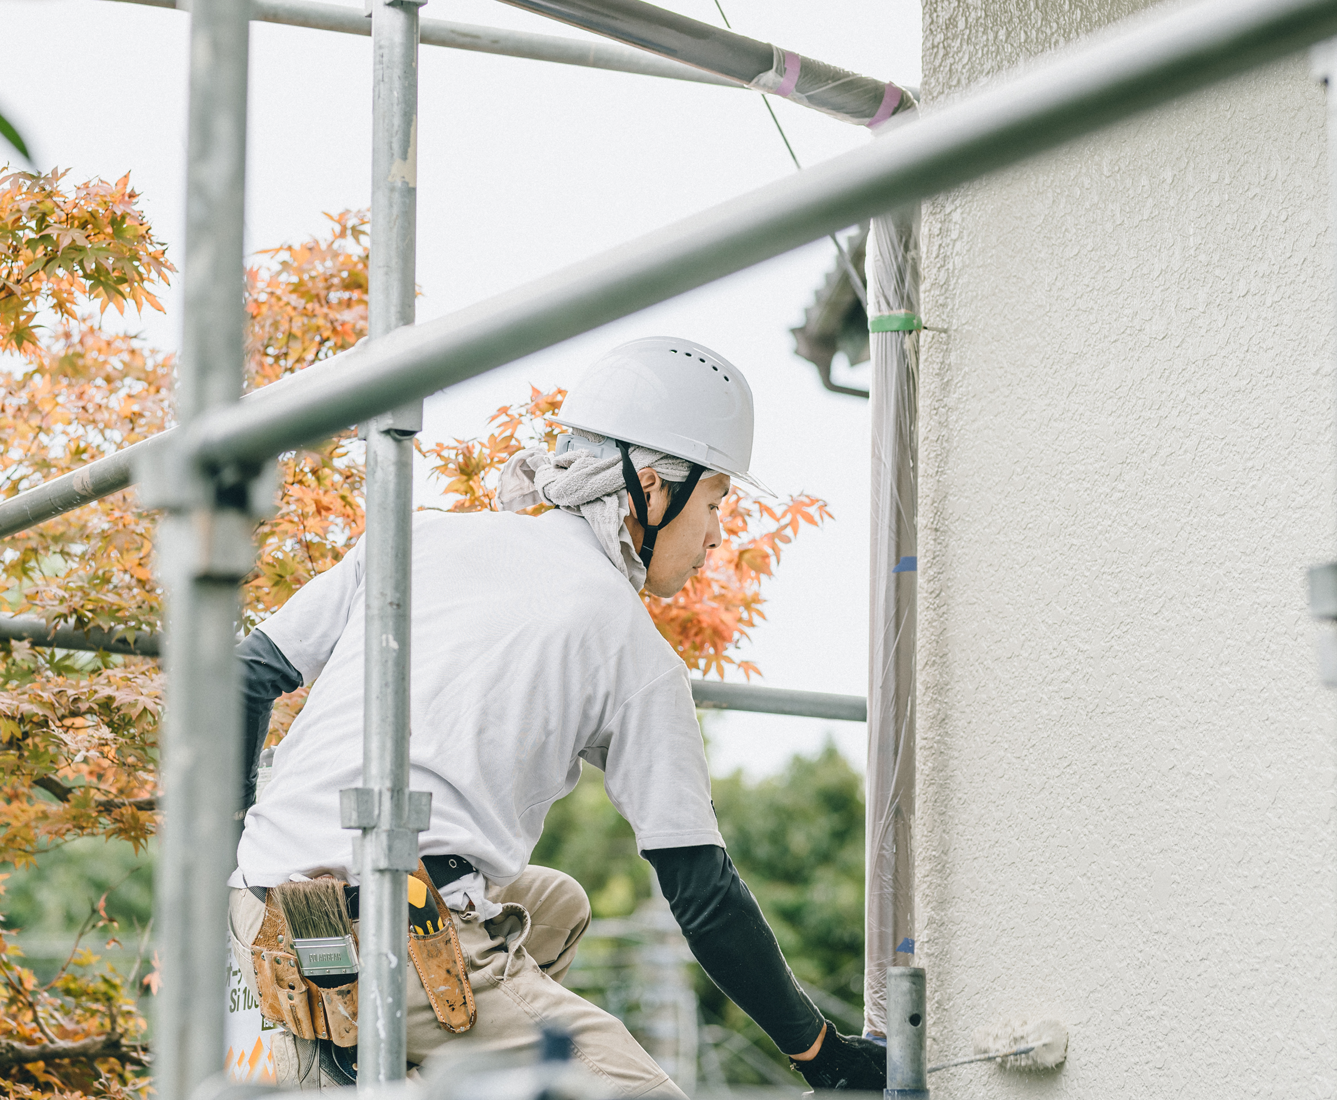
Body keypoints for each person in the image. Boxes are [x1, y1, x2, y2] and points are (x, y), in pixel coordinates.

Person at [229, 337, 886, 1095]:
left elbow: (249, 673)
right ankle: (415, 1043)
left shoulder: (427, 533)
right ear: (652, 486)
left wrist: (235, 858)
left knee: (558, 906)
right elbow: (702, 891)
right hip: (394, 936)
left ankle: (397, 1069)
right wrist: (822, 1056)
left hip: (264, 911)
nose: (715, 539)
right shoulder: (628, 645)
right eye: (714, 504)